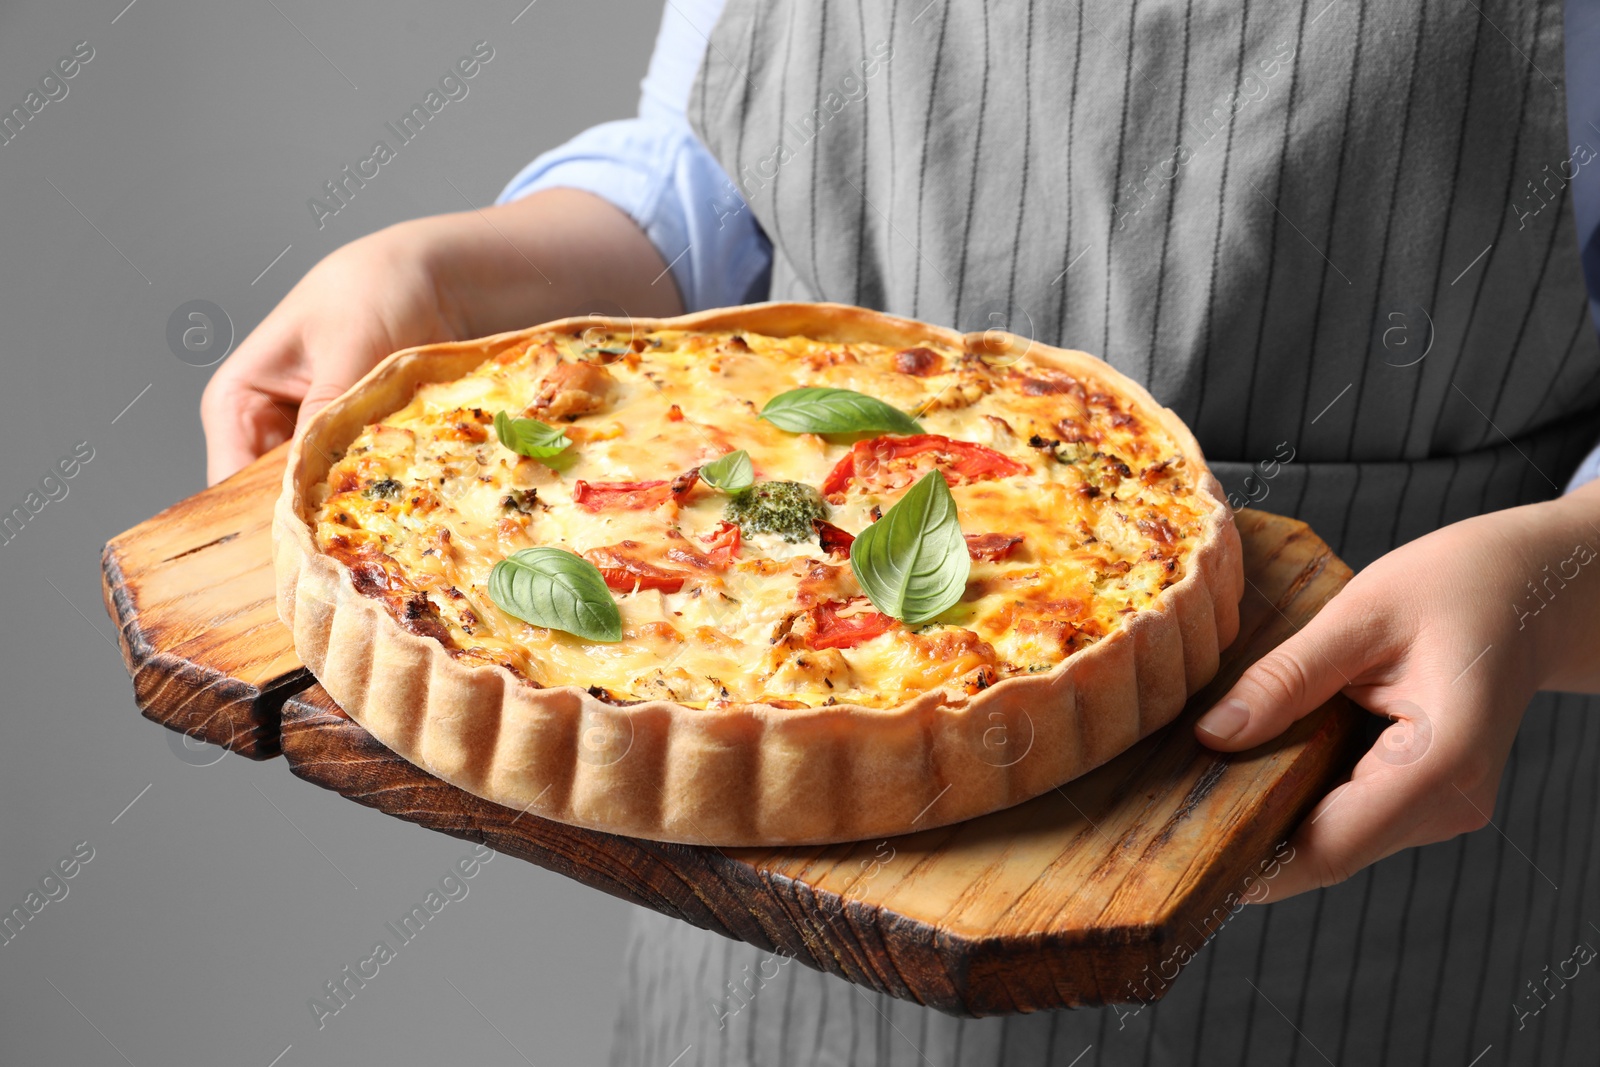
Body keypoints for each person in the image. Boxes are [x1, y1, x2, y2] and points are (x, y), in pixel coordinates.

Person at [204, 0, 1600, 1062]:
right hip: (759, 940)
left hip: (1358, 897)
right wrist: (454, 271)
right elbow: (733, 164)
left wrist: (1559, 576)